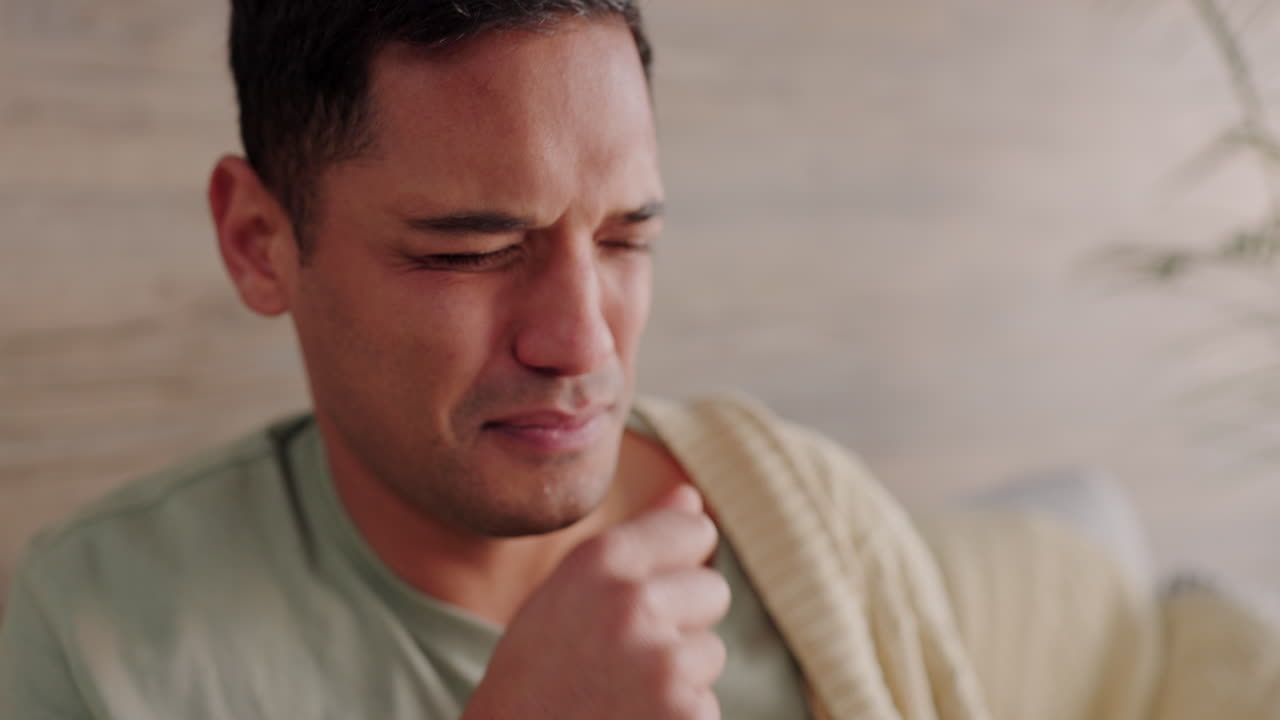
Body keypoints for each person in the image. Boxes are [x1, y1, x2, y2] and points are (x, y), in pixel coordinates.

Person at [3, 3, 1278, 719]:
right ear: (257, 241)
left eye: (624, 236)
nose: (581, 339)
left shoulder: (802, 530)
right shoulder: (103, 643)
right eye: (470, 249)